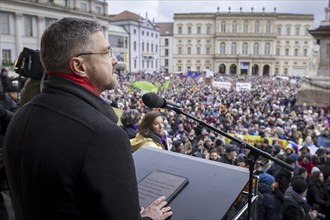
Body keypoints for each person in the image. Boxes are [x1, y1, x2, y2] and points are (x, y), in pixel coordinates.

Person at [4, 17, 172, 220]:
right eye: (106, 52)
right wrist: (149, 218)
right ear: (79, 66)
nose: (115, 60)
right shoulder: (103, 135)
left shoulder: (22, 114)